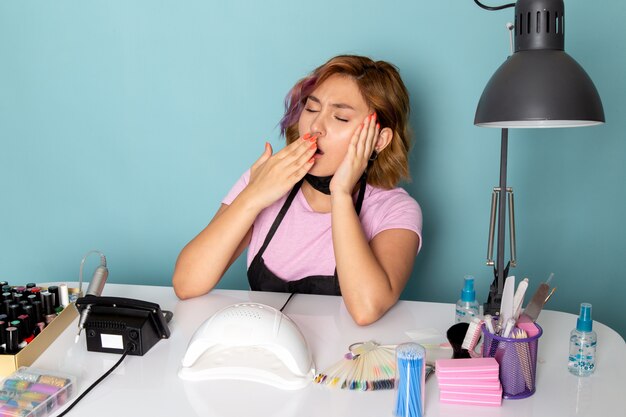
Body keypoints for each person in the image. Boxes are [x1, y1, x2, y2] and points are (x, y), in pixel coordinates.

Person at [172, 55, 422, 325]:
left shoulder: (396, 210)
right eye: (312, 109)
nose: (315, 127)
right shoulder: (264, 180)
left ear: (379, 139)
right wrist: (253, 196)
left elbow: (365, 309)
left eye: (340, 117)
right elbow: (186, 284)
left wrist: (340, 193)